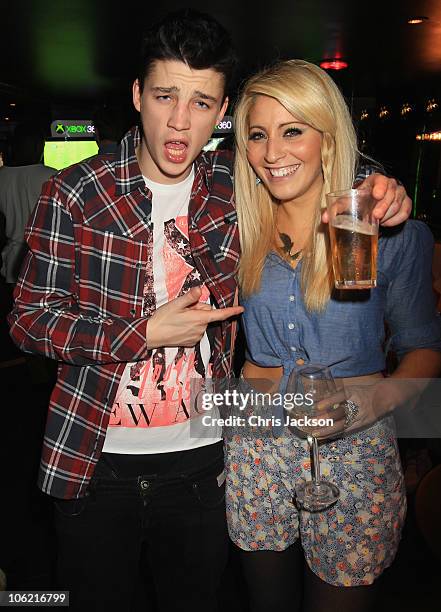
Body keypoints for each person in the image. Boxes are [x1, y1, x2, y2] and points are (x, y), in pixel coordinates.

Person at [8, 10, 411, 612]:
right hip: (93, 457)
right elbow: (26, 319)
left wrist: (383, 186)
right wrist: (142, 331)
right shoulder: (73, 193)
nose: (179, 121)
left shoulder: (233, 189)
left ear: (222, 114)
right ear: (138, 95)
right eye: (165, 95)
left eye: (201, 103)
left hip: (206, 455)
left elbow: (312, 162)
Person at [224, 59, 441, 612]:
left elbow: (425, 348)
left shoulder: (385, 231)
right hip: (257, 440)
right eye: (257, 135)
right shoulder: (232, 228)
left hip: (356, 446)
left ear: (328, 136)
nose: (273, 153)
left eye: (293, 130)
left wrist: (376, 401)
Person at [0, 121, 56, 285]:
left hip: (9, 262)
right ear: (40, 147)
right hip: (41, 262)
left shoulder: (2, 176)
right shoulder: (52, 177)